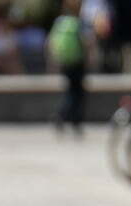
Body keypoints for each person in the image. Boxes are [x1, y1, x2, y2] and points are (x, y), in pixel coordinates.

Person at [48, 0, 87, 132]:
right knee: (76, 92)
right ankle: (67, 117)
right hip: (77, 61)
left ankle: (68, 118)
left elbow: (51, 41)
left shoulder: (59, 22)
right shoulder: (78, 23)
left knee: (71, 90)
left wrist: (53, 60)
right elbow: (86, 41)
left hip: (65, 61)